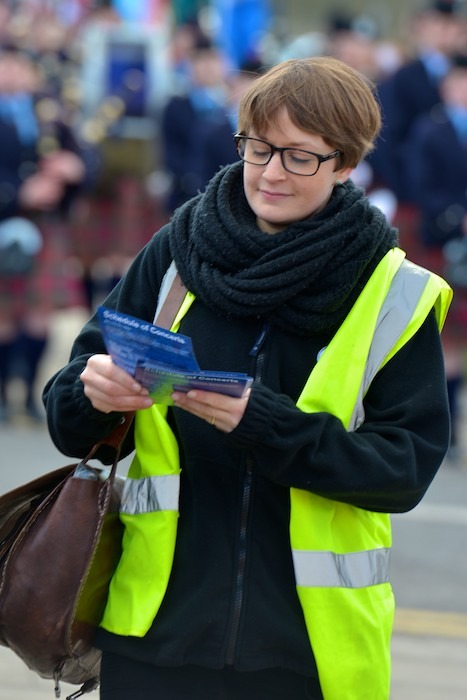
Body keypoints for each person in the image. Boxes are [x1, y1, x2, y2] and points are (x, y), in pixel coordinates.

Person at [43, 57, 452, 700]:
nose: (269, 173)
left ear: (346, 164)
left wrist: (265, 424)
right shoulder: (177, 249)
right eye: (258, 148)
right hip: (153, 637)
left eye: (300, 157)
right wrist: (91, 394)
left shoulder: (392, 290)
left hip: (304, 652)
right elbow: (69, 412)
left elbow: (403, 472)